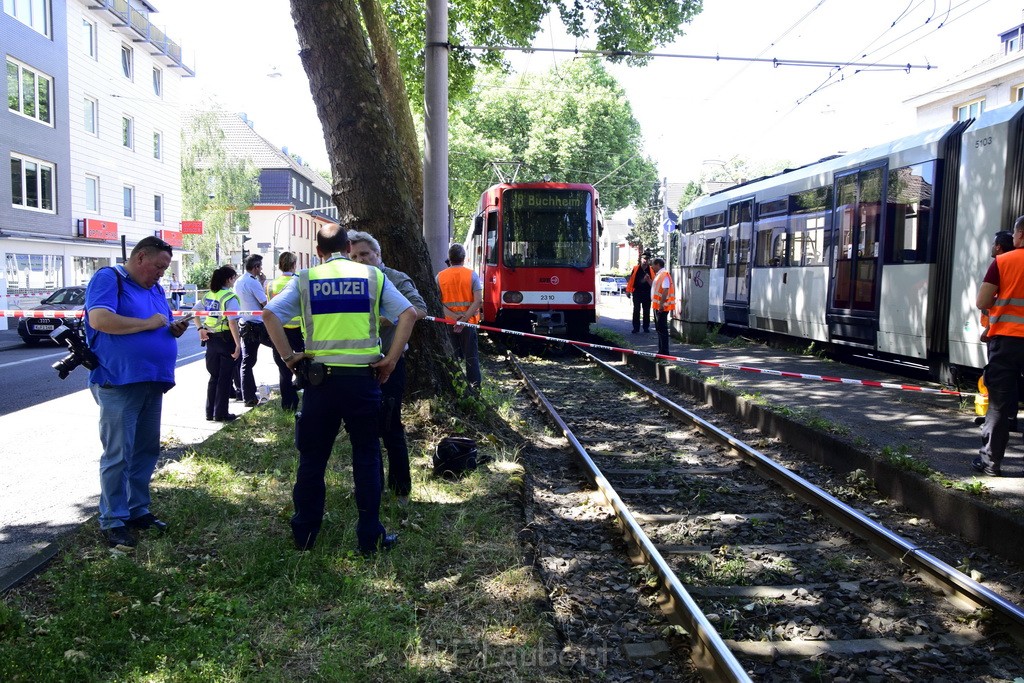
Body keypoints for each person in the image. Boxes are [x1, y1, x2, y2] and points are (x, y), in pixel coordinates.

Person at [263, 224, 417, 555]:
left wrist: (289, 357)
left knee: (313, 458)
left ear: (318, 251)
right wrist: (390, 360)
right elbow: (408, 314)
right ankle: (370, 537)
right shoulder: (373, 278)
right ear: (348, 246)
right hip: (363, 382)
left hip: (320, 383)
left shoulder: (306, 279)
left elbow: (269, 314)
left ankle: (304, 534)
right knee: (367, 455)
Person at [84, 236, 191, 547]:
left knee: (145, 451)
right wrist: (147, 324)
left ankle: (137, 510)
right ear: (141, 257)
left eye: (165, 269)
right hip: (119, 381)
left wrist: (173, 328)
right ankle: (113, 519)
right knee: (118, 454)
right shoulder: (109, 278)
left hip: (152, 380)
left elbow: (160, 322)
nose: (161, 273)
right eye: (158, 266)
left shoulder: (156, 289)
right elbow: (100, 319)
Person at [349, 230, 428, 505]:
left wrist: (390, 316)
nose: (360, 260)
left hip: (390, 364)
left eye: (364, 254)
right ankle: (371, 487)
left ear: (378, 254)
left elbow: (420, 309)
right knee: (362, 430)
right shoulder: (353, 281)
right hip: (358, 366)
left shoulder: (395, 278)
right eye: (354, 256)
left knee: (391, 427)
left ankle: (401, 489)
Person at [974, 215, 1024, 476]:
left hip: (1007, 342)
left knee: (999, 404)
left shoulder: (1003, 262)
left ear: (1020, 235)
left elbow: (982, 301)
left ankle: (991, 462)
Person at [195, 266, 242, 423]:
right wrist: (238, 344)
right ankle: (221, 413)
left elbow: (195, 312)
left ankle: (210, 412)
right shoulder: (229, 297)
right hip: (225, 339)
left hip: (211, 341)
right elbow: (232, 322)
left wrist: (200, 328)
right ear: (228, 279)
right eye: (234, 278)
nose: (234, 281)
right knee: (225, 378)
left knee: (214, 377)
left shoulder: (209, 295)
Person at [437, 244, 483, 388]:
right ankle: (475, 388)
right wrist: (463, 320)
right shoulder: (472, 275)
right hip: (468, 324)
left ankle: (454, 387)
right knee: (471, 358)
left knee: (452, 357)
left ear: (449, 259)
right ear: (463, 258)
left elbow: (437, 302)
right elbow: (478, 300)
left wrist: (454, 318)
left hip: (448, 325)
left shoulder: (440, 277)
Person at [266, 252, 305, 412]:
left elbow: (269, 306)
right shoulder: (299, 282)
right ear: (294, 265)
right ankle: (307, 399)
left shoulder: (271, 285)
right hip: (298, 331)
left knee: (283, 369)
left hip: (279, 331)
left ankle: (288, 404)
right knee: (303, 367)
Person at [234, 254, 270, 407]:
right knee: (282, 349)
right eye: (260, 266)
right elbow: (264, 304)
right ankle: (291, 383)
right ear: (255, 268)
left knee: (247, 362)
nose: (261, 269)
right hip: (258, 325)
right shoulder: (253, 282)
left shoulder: (239, 281)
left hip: (245, 325)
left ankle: (248, 396)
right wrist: (262, 284)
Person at [651, 257, 676, 356]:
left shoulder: (664, 275)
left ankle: (664, 351)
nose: (652, 266)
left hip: (662, 307)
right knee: (660, 329)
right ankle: (661, 350)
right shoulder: (660, 275)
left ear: (657, 264)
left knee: (662, 329)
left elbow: (665, 290)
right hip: (658, 306)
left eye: (653, 264)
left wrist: (661, 304)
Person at [625, 254, 654, 334]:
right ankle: (636, 328)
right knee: (636, 310)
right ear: (641, 259)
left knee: (646, 311)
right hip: (637, 292)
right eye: (644, 259)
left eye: (647, 259)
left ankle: (646, 327)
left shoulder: (651, 270)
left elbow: (654, 282)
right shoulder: (636, 268)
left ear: (649, 260)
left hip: (647, 293)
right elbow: (631, 280)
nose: (645, 260)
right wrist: (628, 291)